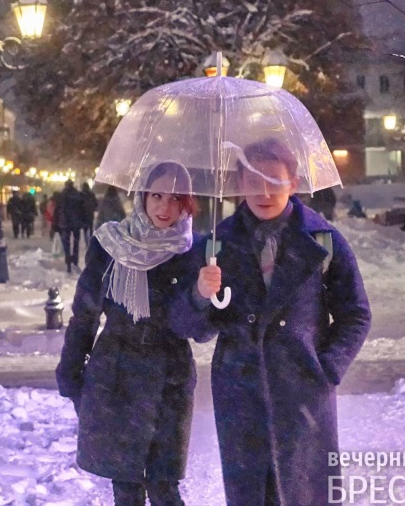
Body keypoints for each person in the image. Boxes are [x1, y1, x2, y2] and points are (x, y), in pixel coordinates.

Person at [170, 138, 371, 505]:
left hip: (303, 394)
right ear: (239, 184)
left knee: (305, 493)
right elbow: (189, 327)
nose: (263, 192)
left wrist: (326, 370)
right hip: (240, 394)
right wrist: (199, 294)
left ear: (293, 183)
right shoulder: (217, 245)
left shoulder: (322, 240)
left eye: (274, 180)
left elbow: (355, 313)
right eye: (253, 181)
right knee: (251, 495)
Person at [57, 162, 201, 506]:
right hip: (117, 374)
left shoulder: (193, 251)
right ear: (142, 197)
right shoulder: (111, 244)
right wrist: (71, 370)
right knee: (126, 487)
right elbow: (86, 313)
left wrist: (203, 295)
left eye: (175, 198)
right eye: (157, 196)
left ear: (186, 203)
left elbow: (199, 329)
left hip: (171, 377)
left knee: (165, 488)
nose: (164, 207)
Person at [53, 180, 85, 273]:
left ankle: (68, 261)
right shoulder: (78, 195)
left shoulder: (61, 196)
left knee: (66, 242)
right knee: (76, 242)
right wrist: (83, 221)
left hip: (65, 222)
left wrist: (55, 223)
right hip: (76, 222)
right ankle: (75, 260)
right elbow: (83, 209)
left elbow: (57, 210)